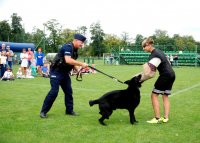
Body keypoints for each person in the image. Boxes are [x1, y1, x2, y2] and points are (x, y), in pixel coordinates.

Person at [40, 33, 88, 118]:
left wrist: (78, 70)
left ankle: (69, 111)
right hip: (56, 72)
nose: (82, 45)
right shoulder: (68, 47)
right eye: (81, 43)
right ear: (76, 41)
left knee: (69, 92)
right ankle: (43, 112)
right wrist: (82, 64)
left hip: (65, 73)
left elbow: (72, 63)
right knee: (54, 92)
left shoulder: (75, 50)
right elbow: (68, 60)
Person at [136, 37, 175, 123]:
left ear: (149, 45)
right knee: (165, 96)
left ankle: (157, 118)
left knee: (154, 95)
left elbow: (149, 73)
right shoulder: (159, 51)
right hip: (172, 74)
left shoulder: (153, 55)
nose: (143, 49)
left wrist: (138, 80)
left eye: (144, 46)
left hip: (165, 75)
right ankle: (165, 118)